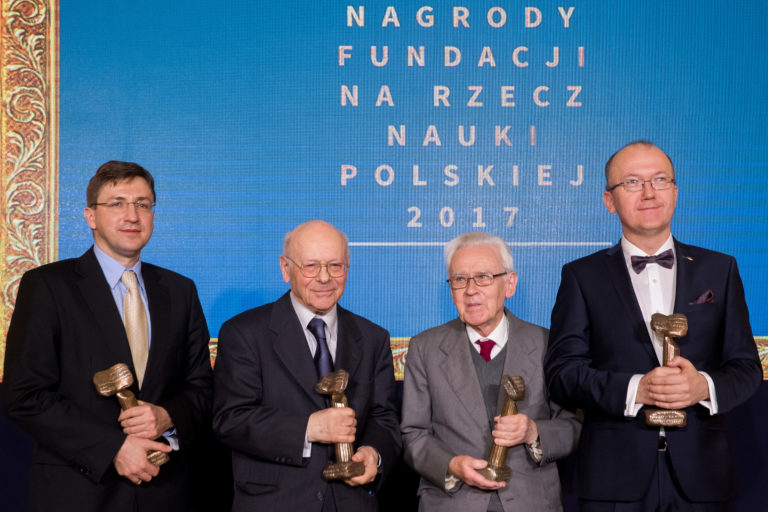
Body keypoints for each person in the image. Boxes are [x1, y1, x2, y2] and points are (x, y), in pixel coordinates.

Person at [544, 141, 762, 510]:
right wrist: (636, 389)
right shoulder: (582, 276)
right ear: (609, 200)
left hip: (703, 476)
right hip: (613, 478)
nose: (648, 192)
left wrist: (702, 386)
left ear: (675, 192)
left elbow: (746, 368)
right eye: (632, 182)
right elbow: (562, 374)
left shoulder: (720, 269)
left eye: (660, 180)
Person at [2, 161, 213, 511]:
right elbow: (24, 395)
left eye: (143, 204)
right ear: (91, 216)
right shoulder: (48, 286)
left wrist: (167, 416)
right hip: (79, 492)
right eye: (117, 203)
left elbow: (202, 388)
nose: (132, 215)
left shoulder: (180, 291)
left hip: (164, 493)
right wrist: (112, 448)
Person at [212, 220, 401, 511]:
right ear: (285, 268)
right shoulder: (244, 333)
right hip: (275, 503)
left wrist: (373, 454)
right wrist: (309, 428)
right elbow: (231, 420)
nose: (324, 278)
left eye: (335, 266)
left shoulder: (373, 337)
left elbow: (384, 417)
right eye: (311, 266)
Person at [401, 232, 581, 512]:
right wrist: (451, 465)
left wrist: (533, 432)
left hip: (532, 503)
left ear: (510, 284)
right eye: (460, 280)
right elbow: (414, 434)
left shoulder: (547, 344)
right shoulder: (425, 348)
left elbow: (573, 425)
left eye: (483, 277)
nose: (470, 290)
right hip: (452, 503)